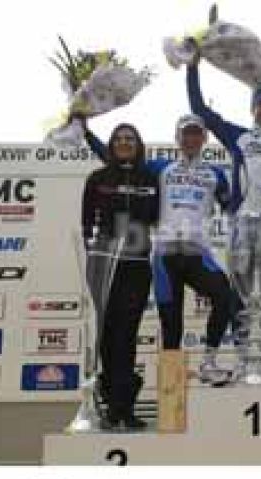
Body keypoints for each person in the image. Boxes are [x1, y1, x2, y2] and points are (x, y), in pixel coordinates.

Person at [85, 114, 234, 387]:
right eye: (186, 134)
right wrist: (85, 131)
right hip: (165, 257)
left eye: (196, 134)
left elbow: (233, 209)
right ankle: (171, 392)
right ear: (177, 138)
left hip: (198, 254)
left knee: (225, 297)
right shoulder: (160, 167)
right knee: (171, 327)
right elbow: (115, 157)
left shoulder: (216, 174)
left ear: (204, 138)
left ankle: (208, 363)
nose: (191, 139)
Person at [185, 56, 261, 370]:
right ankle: (241, 358)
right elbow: (200, 110)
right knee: (239, 289)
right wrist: (193, 67)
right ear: (253, 108)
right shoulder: (238, 136)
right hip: (241, 225)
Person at [80, 122, 159, 431]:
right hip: (103, 264)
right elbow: (86, 224)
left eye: (130, 139)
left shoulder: (150, 179)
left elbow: (156, 217)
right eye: (119, 139)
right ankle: (113, 405)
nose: (125, 142)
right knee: (107, 334)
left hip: (136, 264)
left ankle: (124, 408)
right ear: (112, 145)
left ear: (138, 145)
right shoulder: (97, 179)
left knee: (127, 334)